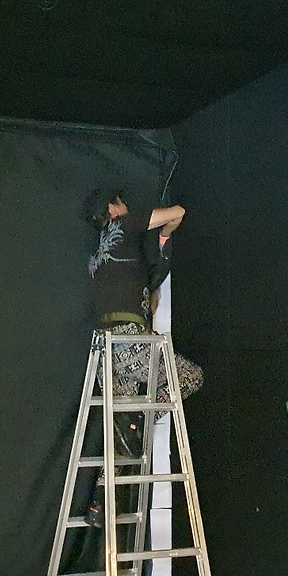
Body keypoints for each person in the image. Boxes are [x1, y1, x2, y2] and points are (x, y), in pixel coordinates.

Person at [81, 188, 203, 528]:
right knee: (191, 377)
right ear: (112, 209)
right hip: (129, 341)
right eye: (121, 202)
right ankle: (137, 419)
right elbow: (178, 212)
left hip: (104, 350)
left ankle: (99, 503)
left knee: (123, 434)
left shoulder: (98, 256)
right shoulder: (125, 224)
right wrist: (164, 230)